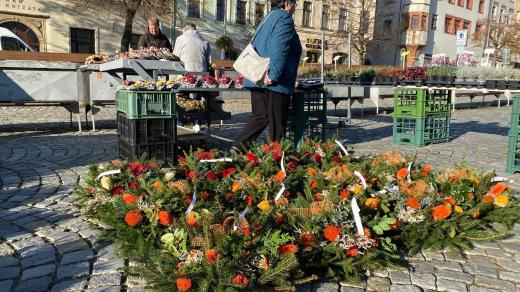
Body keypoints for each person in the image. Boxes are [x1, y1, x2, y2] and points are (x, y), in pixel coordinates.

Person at [233, 0, 302, 151]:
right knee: (277, 124)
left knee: (260, 116)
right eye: (294, 4)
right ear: (287, 4)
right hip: (275, 82)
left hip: (257, 77)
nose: (295, 8)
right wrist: (274, 74)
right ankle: (277, 160)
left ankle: (239, 147)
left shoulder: (269, 17)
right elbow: (280, 46)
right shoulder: (284, 18)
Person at [173, 23, 213, 132]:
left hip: (185, 75)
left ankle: (180, 121)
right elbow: (209, 62)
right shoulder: (205, 41)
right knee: (198, 99)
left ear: (184, 30)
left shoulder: (180, 39)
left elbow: (175, 57)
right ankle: (197, 124)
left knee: (182, 97)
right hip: (201, 76)